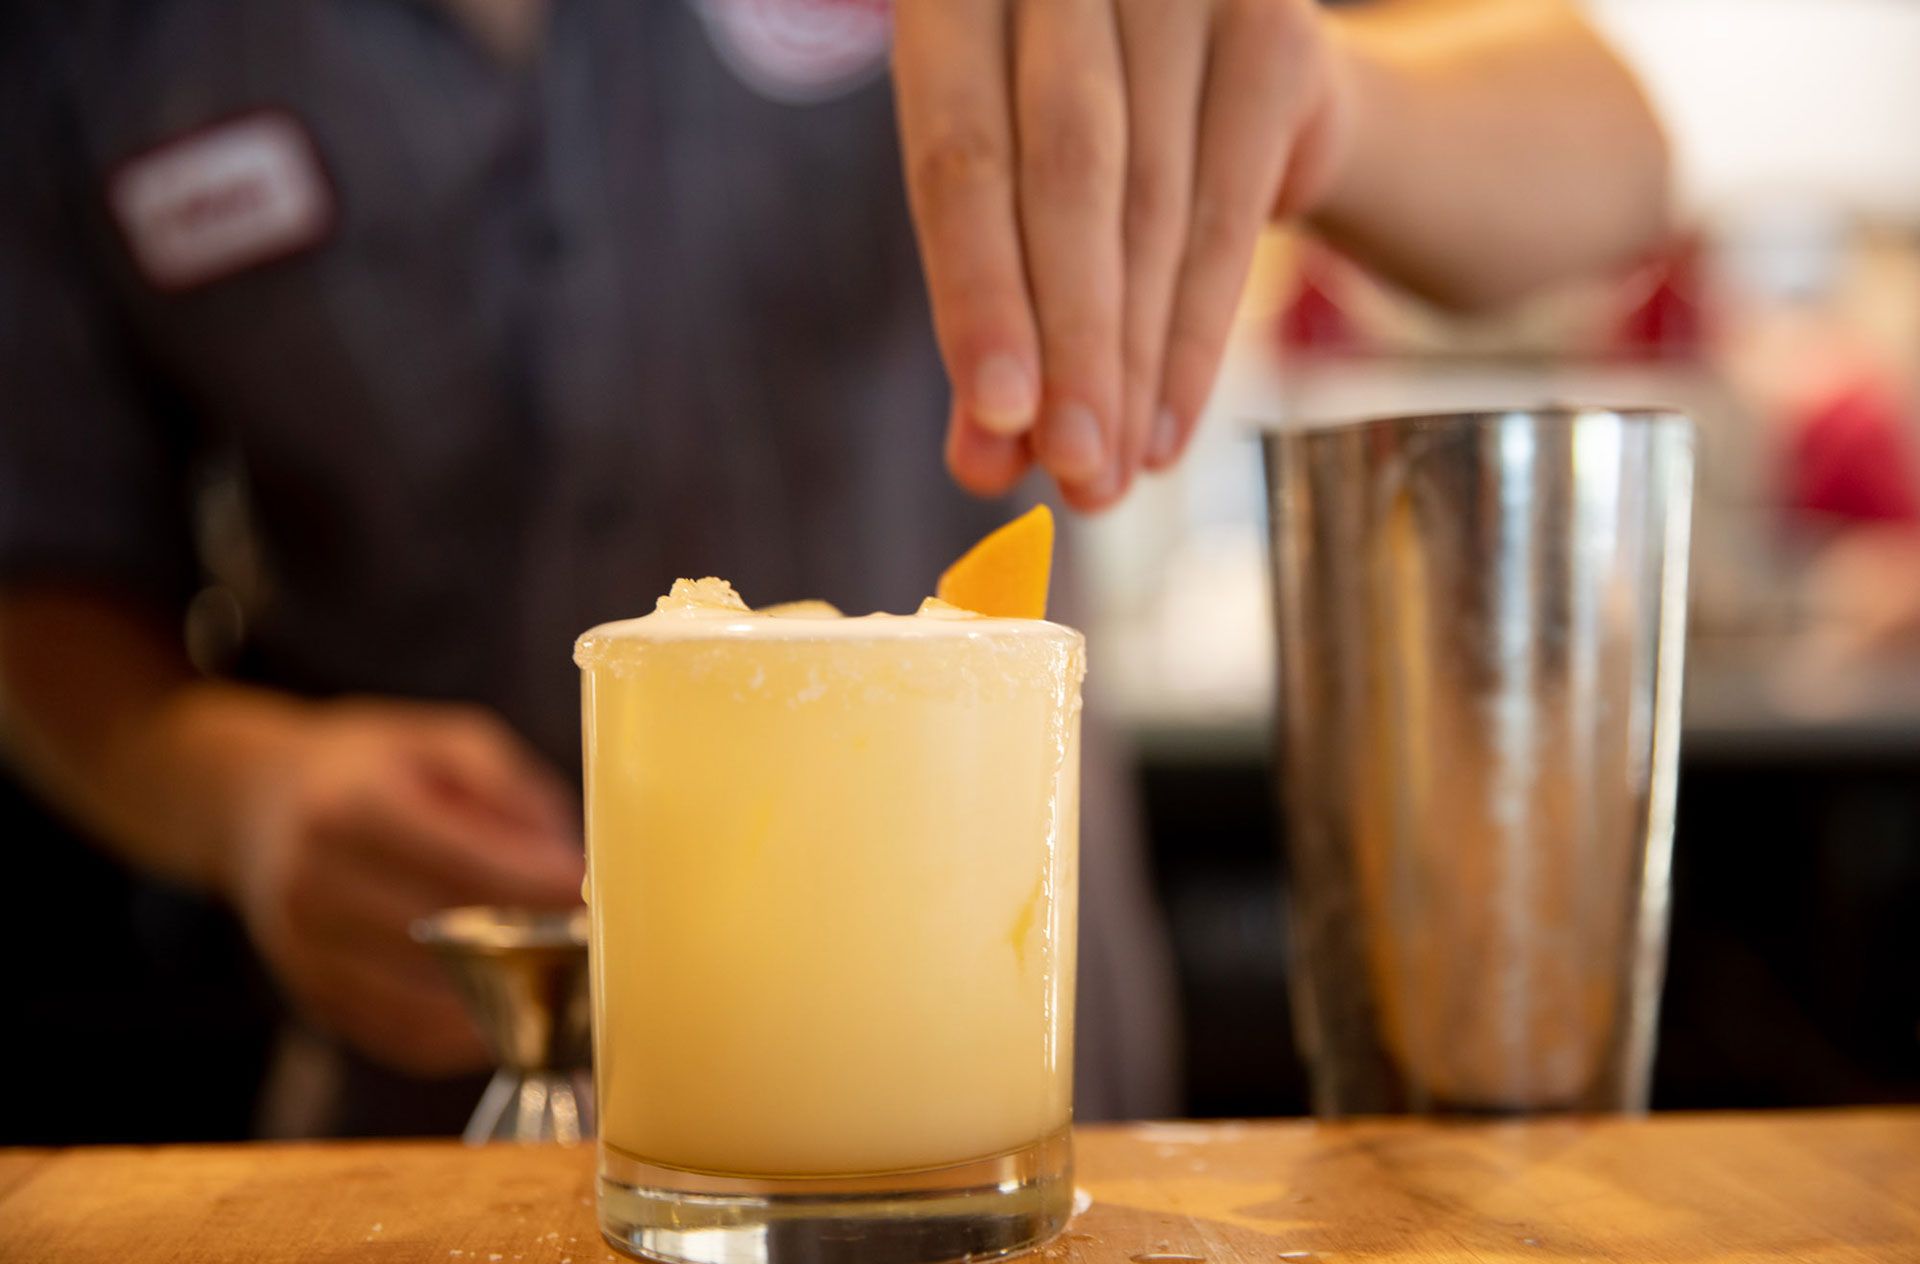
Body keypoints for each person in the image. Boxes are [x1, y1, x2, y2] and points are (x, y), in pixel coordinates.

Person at [0, 0, 1667, 1134]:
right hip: (434, 1122)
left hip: (999, 1117)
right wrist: (235, 788)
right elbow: (43, 561)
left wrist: (1315, 89)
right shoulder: (80, 45)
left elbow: (1613, 147)